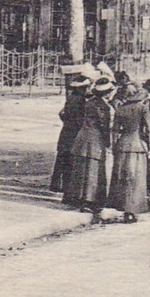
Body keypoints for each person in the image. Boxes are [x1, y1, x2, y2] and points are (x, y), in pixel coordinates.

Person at [70, 75, 116, 219]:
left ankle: (79, 198)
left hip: (82, 137)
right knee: (93, 170)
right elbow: (104, 126)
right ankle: (90, 201)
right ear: (107, 92)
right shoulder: (104, 107)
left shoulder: (89, 102)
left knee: (82, 169)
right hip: (95, 140)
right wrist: (108, 143)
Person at [107, 83, 150, 223]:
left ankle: (123, 207)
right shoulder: (143, 108)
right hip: (137, 145)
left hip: (122, 145)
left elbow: (114, 130)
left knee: (123, 177)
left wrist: (114, 146)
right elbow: (149, 130)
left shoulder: (121, 108)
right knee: (136, 179)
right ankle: (133, 209)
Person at [52, 73, 90, 202]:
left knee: (63, 161)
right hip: (74, 134)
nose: (86, 90)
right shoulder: (80, 100)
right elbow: (79, 118)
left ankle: (60, 186)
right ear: (80, 88)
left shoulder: (71, 98)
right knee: (71, 162)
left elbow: (62, 114)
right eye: (85, 88)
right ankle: (69, 192)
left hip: (66, 132)